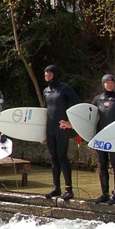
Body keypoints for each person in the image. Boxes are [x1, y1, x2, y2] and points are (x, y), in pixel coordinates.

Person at [42, 64, 81, 200]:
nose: (46, 75)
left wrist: (71, 123)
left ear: (54, 74)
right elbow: (44, 112)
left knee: (62, 157)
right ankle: (56, 188)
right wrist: (41, 134)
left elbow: (78, 104)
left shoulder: (64, 88)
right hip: (50, 129)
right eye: (45, 73)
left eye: (49, 73)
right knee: (53, 158)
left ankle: (69, 189)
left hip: (61, 129)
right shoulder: (46, 91)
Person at [92, 74, 115, 205]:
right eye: (107, 82)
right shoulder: (97, 99)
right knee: (102, 164)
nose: (109, 85)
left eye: (112, 82)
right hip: (101, 136)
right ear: (103, 84)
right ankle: (104, 194)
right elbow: (90, 118)